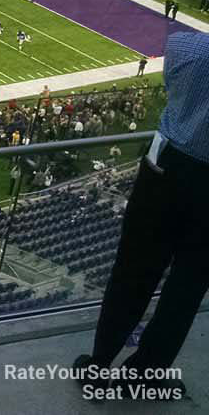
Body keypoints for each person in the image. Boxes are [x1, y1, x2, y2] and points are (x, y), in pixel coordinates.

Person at [75, 29, 209, 394]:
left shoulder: (187, 45)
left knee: (132, 272)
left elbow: (174, 88)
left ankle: (99, 365)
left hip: (168, 170)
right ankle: (146, 375)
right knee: (187, 290)